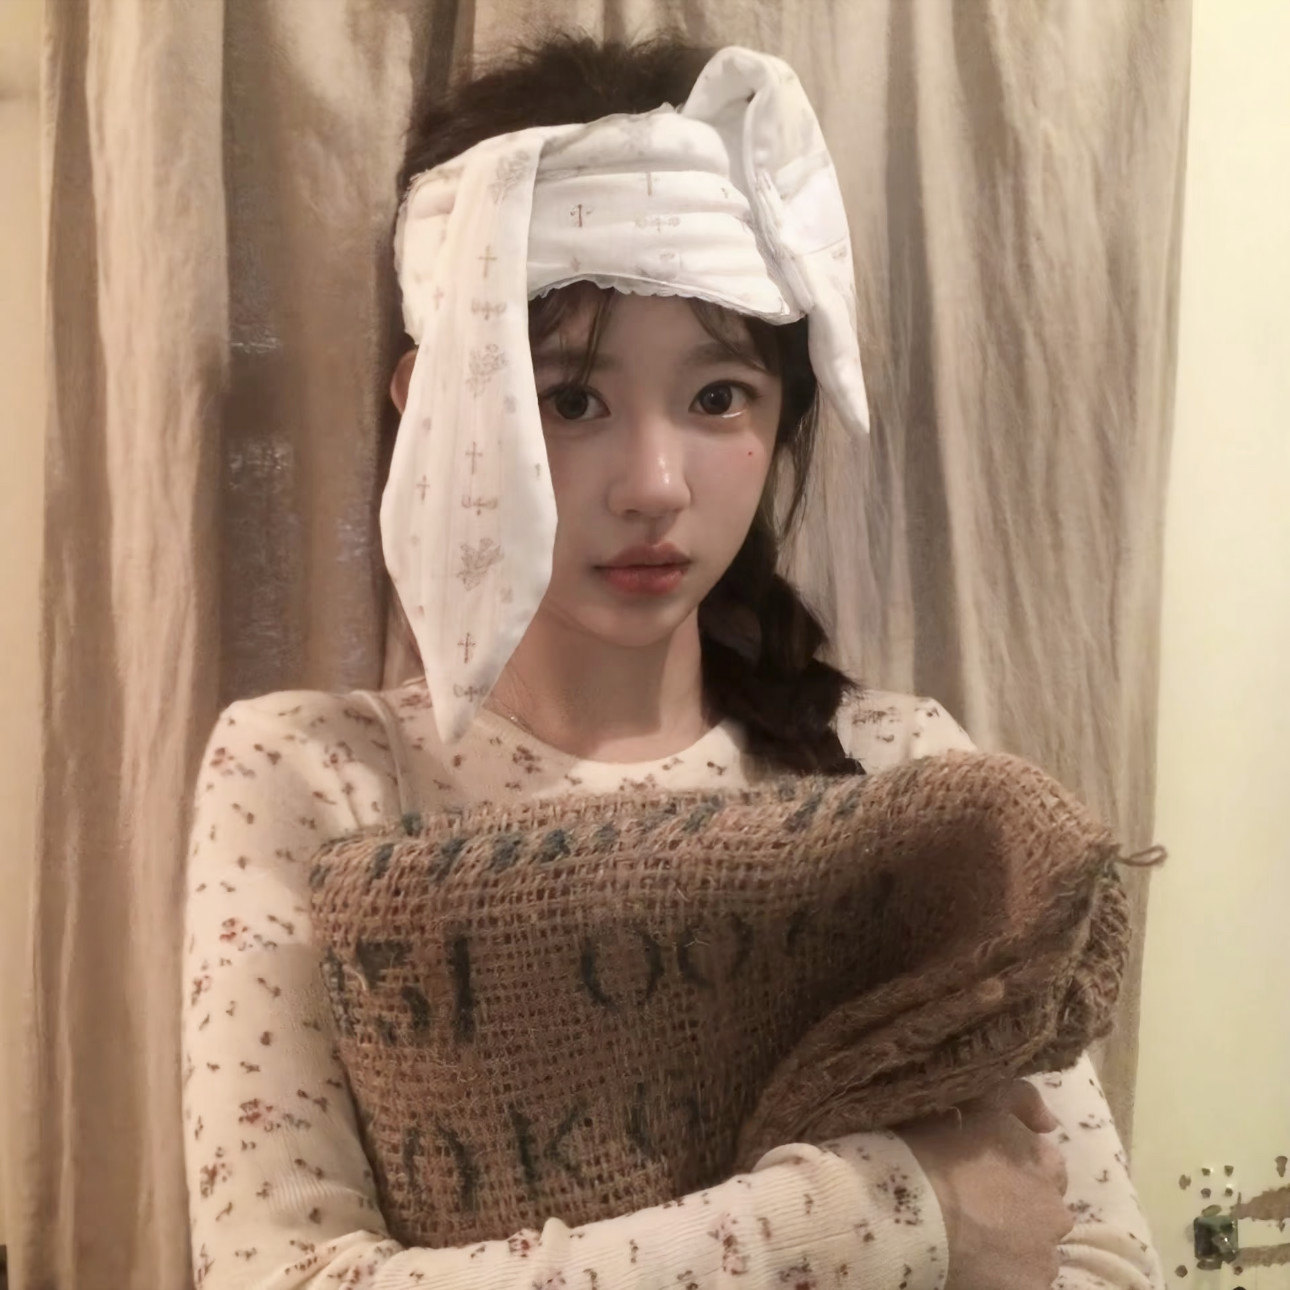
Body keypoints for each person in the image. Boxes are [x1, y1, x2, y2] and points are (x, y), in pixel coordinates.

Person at [181, 31, 1163, 1290]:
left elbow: (1101, 1261)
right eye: (569, 399)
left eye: (717, 399)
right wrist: (886, 1217)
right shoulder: (318, 778)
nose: (654, 486)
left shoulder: (905, 774)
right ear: (435, 409)